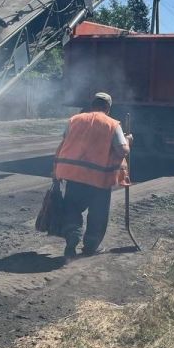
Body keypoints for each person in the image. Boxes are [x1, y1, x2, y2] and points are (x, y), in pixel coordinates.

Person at [52, 91, 132, 262]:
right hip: (99, 179)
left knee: (72, 208)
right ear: (108, 108)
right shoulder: (112, 124)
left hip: (74, 175)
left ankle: (72, 237)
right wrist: (128, 140)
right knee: (98, 213)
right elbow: (122, 150)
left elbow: (65, 140)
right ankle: (90, 246)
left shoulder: (74, 120)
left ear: (92, 105)